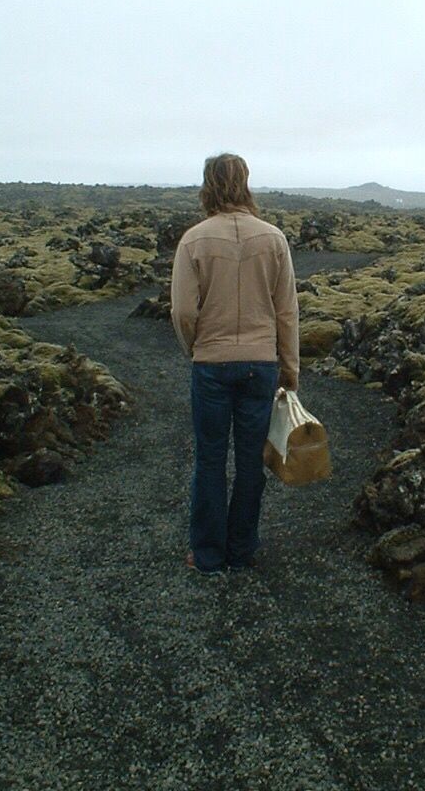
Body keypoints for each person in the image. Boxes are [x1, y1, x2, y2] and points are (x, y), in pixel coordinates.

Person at [170, 153, 299, 575]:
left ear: (207, 184)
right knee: (250, 462)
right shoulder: (274, 239)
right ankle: (241, 551)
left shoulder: (194, 239)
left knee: (209, 460)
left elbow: (183, 312)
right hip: (260, 365)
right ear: (246, 182)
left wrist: (197, 347)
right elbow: (287, 312)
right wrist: (290, 368)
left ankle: (207, 555)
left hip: (211, 362)